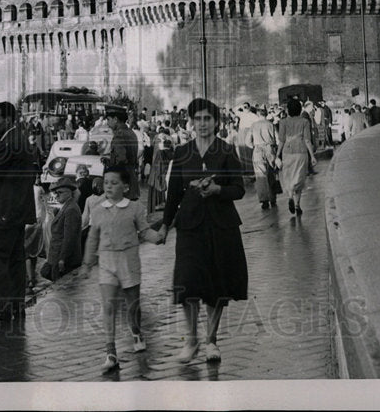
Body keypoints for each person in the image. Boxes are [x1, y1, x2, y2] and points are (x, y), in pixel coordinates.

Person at [159, 98, 248, 364]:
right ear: (191, 122)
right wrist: (165, 224)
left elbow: (239, 189)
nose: (202, 124)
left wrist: (218, 189)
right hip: (189, 224)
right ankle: (191, 340)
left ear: (216, 122)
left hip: (221, 225)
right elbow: (173, 193)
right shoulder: (182, 152)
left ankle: (211, 341)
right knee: (187, 282)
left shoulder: (227, 150)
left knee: (216, 284)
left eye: (207, 119)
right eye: (197, 119)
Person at [79, 166, 162, 372]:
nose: (108, 186)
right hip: (107, 263)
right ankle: (111, 352)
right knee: (109, 307)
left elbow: (143, 230)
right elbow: (92, 237)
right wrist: (87, 263)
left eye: (114, 183)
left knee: (132, 305)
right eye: (106, 182)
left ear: (125, 187)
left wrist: (158, 237)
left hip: (129, 261)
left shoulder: (134, 208)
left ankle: (136, 332)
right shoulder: (97, 209)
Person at [0, 101, 39, 320]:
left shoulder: (9, 142)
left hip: (6, 208)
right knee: (15, 256)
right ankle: (15, 305)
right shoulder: (17, 138)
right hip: (17, 209)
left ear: (8, 119)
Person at [277, 99, 318, 216]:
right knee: (300, 177)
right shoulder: (305, 121)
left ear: (288, 109)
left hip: (287, 152)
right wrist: (312, 156)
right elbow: (307, 140)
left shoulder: (283, 122)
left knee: (289, 176)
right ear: (300, 109)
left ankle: (290, 196)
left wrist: (277, 155)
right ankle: (297, 205)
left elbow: (281, 140)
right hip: (301, 152)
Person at [43, 176, 83, 282]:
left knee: (63, 292)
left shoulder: (71, 209)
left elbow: (69, 238)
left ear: (69, 192)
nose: (56, 195)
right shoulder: (68, 207)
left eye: (59, 192)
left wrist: (62, 259)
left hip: (63, 260)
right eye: (55, 193)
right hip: (58, 258)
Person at [103, 106, 141, 201]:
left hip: (122, 185)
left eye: (108, 120)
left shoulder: (119, 135)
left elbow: (121, 161)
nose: (107, 124)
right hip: (131, 182)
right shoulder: (131, 132)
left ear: (115, 119)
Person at [249, 109, 280, 210]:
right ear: (266, 115)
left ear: (258, 114)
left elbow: (247, 141)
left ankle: (264, 200)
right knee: (271, 174)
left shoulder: (254, 125)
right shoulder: (270, 124)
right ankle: (273, 198)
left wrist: (254, 146)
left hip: (258, 149)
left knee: (260, 176)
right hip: (269, 149)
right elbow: (278, 139)